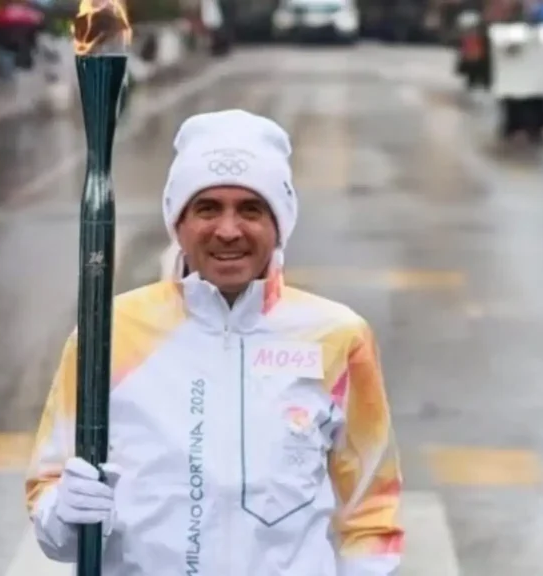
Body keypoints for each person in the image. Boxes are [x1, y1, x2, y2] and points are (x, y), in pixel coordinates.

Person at [25, 109, 405, 575]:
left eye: (251, 209)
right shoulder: (109, 333)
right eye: (207, 208)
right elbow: (49, 493)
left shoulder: (338, 337)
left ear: (279, 224)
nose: (228, 230)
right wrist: (65, 513)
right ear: (179, 222)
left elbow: (370, 514)